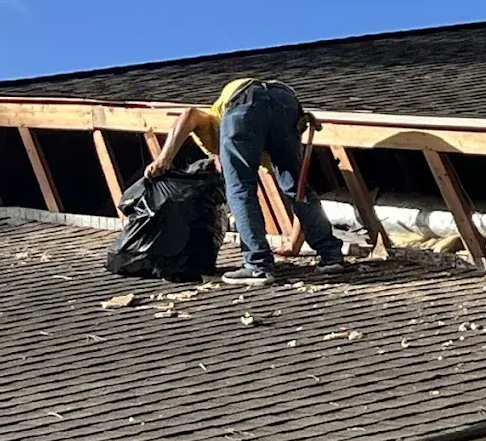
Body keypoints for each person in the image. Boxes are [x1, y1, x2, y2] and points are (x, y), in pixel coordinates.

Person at [144, 78, 346, 285]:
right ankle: (331, 257)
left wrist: (163, 159)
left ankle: (257, 266)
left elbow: (188, 115)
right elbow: (299, 193)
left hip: (244, 98)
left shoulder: (213, 136)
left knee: (240, 189)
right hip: (284, 98)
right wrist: (294, 246)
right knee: (296, 186)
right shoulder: (263, 154)